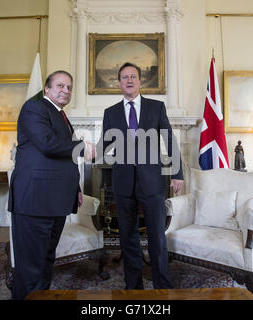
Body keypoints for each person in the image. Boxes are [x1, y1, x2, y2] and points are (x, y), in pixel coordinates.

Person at [7, 70, 95, 300]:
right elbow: (47, 144)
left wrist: (74, 188)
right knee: (30, 268)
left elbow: (64, 158)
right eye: (60, 86)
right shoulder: (34, 108)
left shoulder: (61, 117)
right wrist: (83, 147)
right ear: (46, 89)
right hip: (34, 200)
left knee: (46, 260)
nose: (65, 90)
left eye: (69, 87)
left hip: (54, 200)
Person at [100, 62, 184, 289]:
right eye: (124, 77)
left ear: (140, 81)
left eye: (133, 76)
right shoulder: (110, 113)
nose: (129, 80)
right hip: (122, 182)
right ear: (119, 83)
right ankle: (133, 287)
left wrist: (177, 173)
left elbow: (169, 140)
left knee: (157, 237)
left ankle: (162, 286)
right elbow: (104, 146)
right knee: (128, 238)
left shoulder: (156, 108)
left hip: (152, 182)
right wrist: (89, 149)